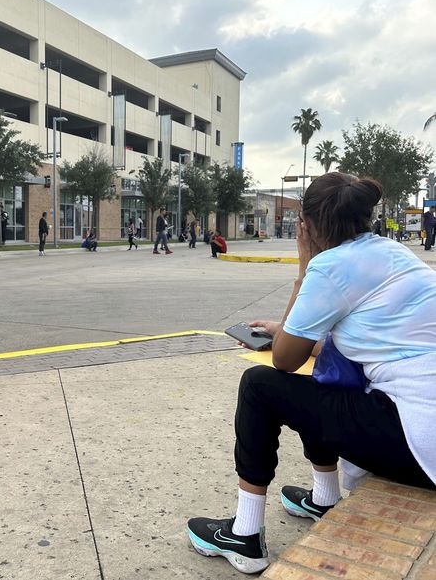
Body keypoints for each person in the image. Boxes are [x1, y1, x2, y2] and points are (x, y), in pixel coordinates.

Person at [187, 173, 436, 574]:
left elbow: (285, 360)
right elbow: (356, 346)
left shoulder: (330, 266)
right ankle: (324, 499)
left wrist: (304, 269)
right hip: (419, 422)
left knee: (261, 385)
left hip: (419, 442)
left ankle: (245, 536)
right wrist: (281, 331)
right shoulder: (392, 255)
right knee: (318, 381)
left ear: (308, 223)